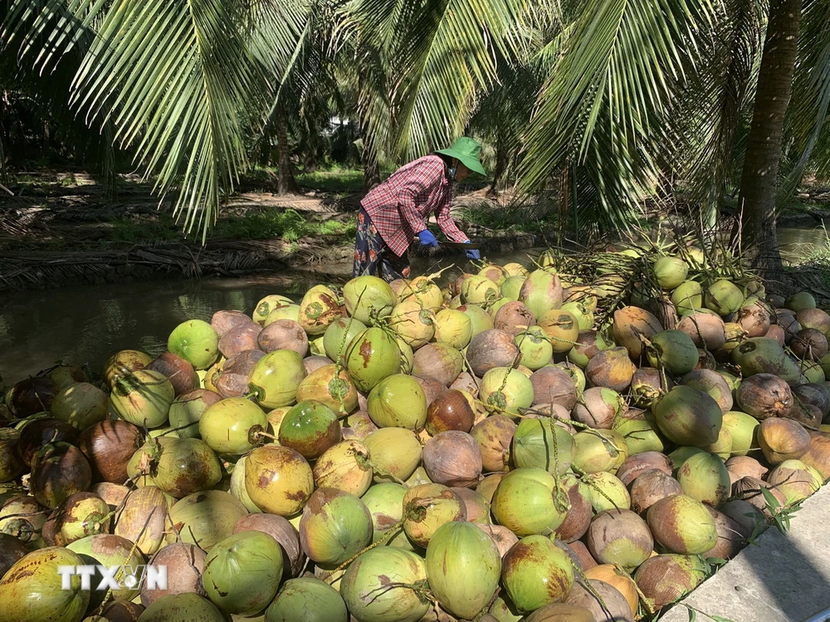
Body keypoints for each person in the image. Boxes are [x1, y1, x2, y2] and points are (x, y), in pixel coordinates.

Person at [353, 136, 486, 282]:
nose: (468, 175)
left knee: (398, 278)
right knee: (365, 271)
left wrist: (464, 242)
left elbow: (444, 217)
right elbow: (405, 195)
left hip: (399, 226)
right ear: (456, 161)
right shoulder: (434, 166)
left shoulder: (447, 182)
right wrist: (421, 229)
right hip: (378, 215)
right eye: (468, 170)